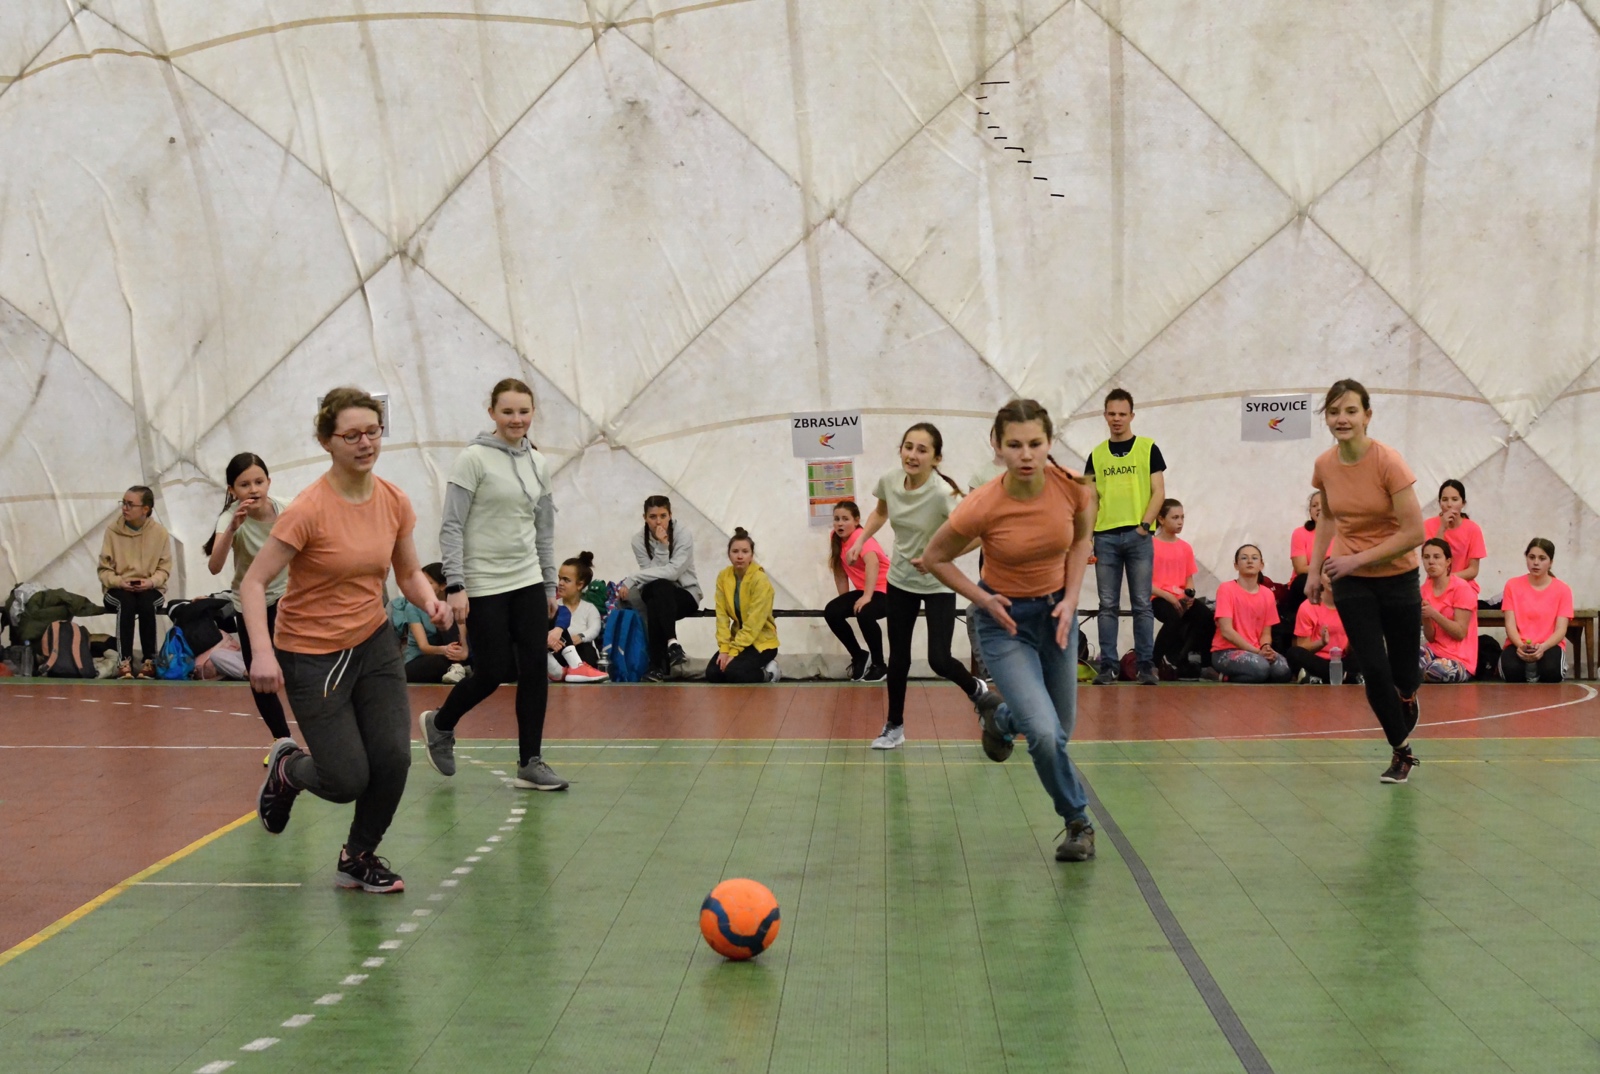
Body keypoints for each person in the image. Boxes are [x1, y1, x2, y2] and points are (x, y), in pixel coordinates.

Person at [243, 386, 451, 894]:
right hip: (311, 653)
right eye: (352, 435)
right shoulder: (308, 509)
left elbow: (408, 573)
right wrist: (263, 654)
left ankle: (357, 857)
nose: (365, 443)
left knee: (394, 758)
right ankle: (289, 770)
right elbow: (252, 582)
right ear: (327, 441)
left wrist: (430, 600)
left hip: (373, 641)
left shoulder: (393, 500)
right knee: (345, 779)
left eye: (373, 432)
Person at [920, 399, 1098, 863]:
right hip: (1005, 622)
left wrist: (1072, 598)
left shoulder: (1074, 489)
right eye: (1014, 445)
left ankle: (1000, 719)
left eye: (1035, 443)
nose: (1026, 454)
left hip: (1057, 615)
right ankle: (1077, 821)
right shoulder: (982, 504)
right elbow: (935, 557)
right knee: (1044, 734)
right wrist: (981, 599)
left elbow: (1082, 540)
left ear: (1049, 442)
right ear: (997, 447)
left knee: (1059, 728)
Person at [420, 378, 567, 792]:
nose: (516, 419)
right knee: (492, 671)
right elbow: (451, 525)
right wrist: (455, 584)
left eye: (524, 411)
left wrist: (549, 584)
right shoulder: (473, 459)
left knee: (535, 669)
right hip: (483, 582)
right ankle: (441, 723)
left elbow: (543, 530)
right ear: (492, 414)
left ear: (533, 413)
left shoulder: (538, 464)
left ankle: (530, 762)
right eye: (507, 411)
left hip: (527, 579)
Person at [1306, 378, 1427, 784]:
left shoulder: (1389, 462)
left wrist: (1356, 558)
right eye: (1334, 412)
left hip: (1398, 578)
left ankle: (1407, 695)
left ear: (1367, 416)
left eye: (1350, 411)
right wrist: (1314, 571)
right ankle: (1401, 752)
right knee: (1373, 668)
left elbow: (1414, 532)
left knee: (1403, 673)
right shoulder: (1325, 465)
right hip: (1351, 581)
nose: (1342, 419)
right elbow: (1327, 517)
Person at [852, 422, 987, 750]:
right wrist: (861, 539)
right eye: (908, 447)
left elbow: (979, 533)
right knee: (898, 658)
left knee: (939, 659)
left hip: (938, 581)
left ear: (936, 458)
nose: (912, 455)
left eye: (922, 450)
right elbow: (880, 512)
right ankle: (894, 726)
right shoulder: (889, 480)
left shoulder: (944, 494)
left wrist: (939, 559)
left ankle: (977, 690)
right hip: (900, 580)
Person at [204, 453, 293, 738]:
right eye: (245, 485)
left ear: (269, 482)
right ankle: (282, 741)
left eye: (259, 482)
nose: (254, 490)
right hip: (250, 605)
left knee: (297, 667)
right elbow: (214, 566)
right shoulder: (229, 519)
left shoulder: (288, 509)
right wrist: (232, 529)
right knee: (260, 677)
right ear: (232, 490)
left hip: (287, 599)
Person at [1087, 389, 1166, 686]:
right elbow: (1091, 499)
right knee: (1107, 604)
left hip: (1138, 535)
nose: (1117, 419)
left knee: (1142, 603)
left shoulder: (1148, 448)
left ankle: (1145, 666)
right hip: (1105, 537)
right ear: (1104, 415)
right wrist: (1088, 537)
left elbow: (1159, 491)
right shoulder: (1096, 454)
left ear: (1132, 415)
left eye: (1122, 413)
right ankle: (1108, 666)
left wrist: (1144, 526)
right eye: (1112, 413)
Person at [617, 496, 702, 682]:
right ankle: (673, 645)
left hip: (685, 594)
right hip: (655, 591)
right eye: (653, 516)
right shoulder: (638, 540)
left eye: (663, 516)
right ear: (644, 518)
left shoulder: (683, 535)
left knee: (658, 597)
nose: (658, 521)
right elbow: (652, 575)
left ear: (670, 515)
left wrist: (632, 578)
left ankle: (656, 666)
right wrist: (662, 547)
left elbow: (673, 572)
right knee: (658, 589)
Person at [99, 485, 172, 679]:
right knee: (126, 602)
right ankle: (124, 662)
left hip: (150, 588)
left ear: (145, 509)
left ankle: (150, 661)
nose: (124, 508)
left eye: (130, 504)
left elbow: (164, 569)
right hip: (118, 588)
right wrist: (119, 582)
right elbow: (104, 570)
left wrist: (151, 582)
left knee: (147, 603)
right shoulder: (112, 531)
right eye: (123, 503)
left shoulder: (160, 533)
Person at [823, 501, 888, 681]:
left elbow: (873, 563)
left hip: (887, 590)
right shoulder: (835, 538)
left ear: (857, 521)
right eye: (836, 519)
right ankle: (859, 655)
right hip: (866, 589)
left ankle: (880, 665)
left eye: (845, 519)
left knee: (865, 613)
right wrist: (843, 603)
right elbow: (840, 572)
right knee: (832, 611)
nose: (840, 524)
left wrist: (867, 596)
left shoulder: (860, 537)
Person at [705, 528, 779, 683]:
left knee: (734, 673)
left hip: (761, 642)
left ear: (751, 555)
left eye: (745, 552)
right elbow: (722, 616)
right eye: (735, 551)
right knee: (713, 673)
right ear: (729, 554)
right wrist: (724, 649)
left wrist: (734, 652)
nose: (740, 556)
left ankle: (769, 674)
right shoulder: (723, 577)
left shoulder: (760, 580)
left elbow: (754, 623)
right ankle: (746, 665)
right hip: (736, 640)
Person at [1150, 499, 1213, 678]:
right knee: (1173, 617)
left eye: (1182, 517)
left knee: (1206, 616)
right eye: (1175, 517)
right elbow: (1144, 582)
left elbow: (1188, 579)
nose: (1180, 522)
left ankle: (1205, 665)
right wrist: (1168, 596)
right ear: (1161, 519)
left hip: (1180, 597)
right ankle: (1153, 663)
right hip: (1157, 597)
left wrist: (1189, 595)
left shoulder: (1185, 547)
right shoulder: (1150, 545)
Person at [1210, 545, 1290, 683]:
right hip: (1226, 651)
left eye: (1254, 558)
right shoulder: (1226, 589)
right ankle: (1220, 675)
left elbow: (1266, 633)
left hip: (1257, 651)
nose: (1249, 561)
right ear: (1236, 565)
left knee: (1283, 671)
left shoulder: (1267, 594)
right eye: (1244, 558)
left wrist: (1266, 647)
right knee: (1261, 668)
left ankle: (1255, 675)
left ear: (1261, 565)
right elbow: (1227, 631)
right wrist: (1257, 652)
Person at [1499, 538, 1573, 683]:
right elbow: (1510, 625)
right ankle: (1530, 671)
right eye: (1531, 557)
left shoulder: (1563, 590)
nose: (1536, 562)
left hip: (1549, 645)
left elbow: (1561, 630)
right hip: (1519, 645)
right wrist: (1520, 645)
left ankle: (1534, 671)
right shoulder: (1512, 585)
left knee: (1551, 672)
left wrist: (1543, 647)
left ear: (1551, 562)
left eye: (1542, 558)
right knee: (1511, 672)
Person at [391, 563, 468, 684]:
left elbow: (462, 634)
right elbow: (424, 647)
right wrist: (445, 650)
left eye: (429, 583)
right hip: (419, 659)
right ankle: (458, 666)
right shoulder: (413, 607)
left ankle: (459, 666)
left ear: (443, 586)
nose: (423, 587)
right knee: (442, 662)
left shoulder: (453, 604)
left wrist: (462, 650)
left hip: (448, 654)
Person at [1286, 564, 1359, 683]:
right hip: (1316, 660)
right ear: (1320, 578)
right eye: (1327, 573)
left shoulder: (1350, 607)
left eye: (1335, 573)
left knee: (1368, 650)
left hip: (1341, 661)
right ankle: (1346, 677)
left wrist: (1354, 639)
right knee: (1294, 653)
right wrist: (1322, 643)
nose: (1331, 578)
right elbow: (1303, 647)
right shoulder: (1307, 606)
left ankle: (1320, 677)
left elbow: (1349, 650)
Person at [1418, 538, 1477, 683]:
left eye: (1437, 557)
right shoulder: (1424, 590)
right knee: (1403, 658)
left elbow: (1460, 633)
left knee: (1435, 670)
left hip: (1460, 658)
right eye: (1426, 557)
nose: (1431, 562)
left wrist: (1433, 614)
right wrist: (1425, 617)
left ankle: (1419, 674)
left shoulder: (1461, 588)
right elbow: (1431, 637)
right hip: (1435, 650)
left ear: (1448, 562)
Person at [547, 552, 607, 683]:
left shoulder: (589, 608)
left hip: (582, 650)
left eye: (566, 580)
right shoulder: (554, 606)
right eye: (559, 579)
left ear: (580, 585)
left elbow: (594, 630)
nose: (560, 583)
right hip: (559, 650)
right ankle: (560, 672)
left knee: (585, 649)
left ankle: (579, 669)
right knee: (555, 650)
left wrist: (580, 637)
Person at [1422, 480, 1487, 592]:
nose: (1449, 504)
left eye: (1455, 499)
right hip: (1435, 585)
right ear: (1439, 503)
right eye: (1444, 499)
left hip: (1463, 586)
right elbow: (1431, 558)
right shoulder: (1428, 525)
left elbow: (1473, 570)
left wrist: (1448, 579)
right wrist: (1442, 528)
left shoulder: (1473, 529)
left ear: (1463, 503)